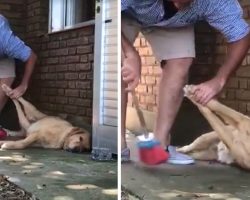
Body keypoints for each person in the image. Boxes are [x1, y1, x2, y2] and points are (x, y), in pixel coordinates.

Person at [121, 0, 250, 164]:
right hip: (124, 13)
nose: (176, 5)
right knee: (118, 60)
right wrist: (130, 53)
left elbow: (241, 35)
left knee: (180, 62)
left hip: (174, 23)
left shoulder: (216, 2)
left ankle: (160, 147)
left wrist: (219, 80)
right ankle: (119, 146)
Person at [0, 15, 37, 135]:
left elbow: (31, 57)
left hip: (4, 56)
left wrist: (23, 85)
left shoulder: (7, 41)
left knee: (4, 87)